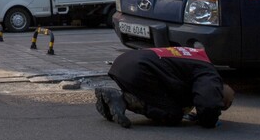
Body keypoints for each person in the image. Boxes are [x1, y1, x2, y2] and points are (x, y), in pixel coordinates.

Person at [94, 46, 235, 129]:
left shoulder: (196, 57)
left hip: (125, 62)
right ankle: (123, 100)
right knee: (173, 114)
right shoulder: (209, 74)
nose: (221, 109)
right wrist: (208, 120)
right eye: (222, 106)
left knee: (163, 100)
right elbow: (208, 102)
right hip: (140, 70)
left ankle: (111, 103)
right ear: (221, 90)